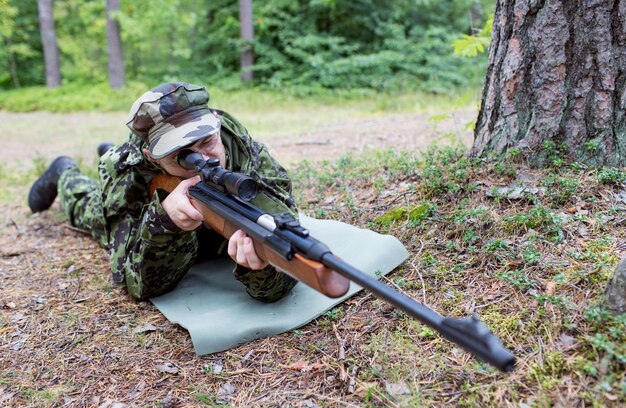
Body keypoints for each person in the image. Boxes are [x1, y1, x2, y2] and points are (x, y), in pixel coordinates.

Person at [28, 82, 298, 301]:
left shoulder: (250, 156)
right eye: (182, 156)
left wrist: (262, 269)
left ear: (216, 121)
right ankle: (63, 171)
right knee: (87, 211)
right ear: (152, 156)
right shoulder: (128, 170)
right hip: (134, 183)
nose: (203, 160)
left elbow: (288, 245)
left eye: (207, 141)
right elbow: (138, 284)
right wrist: (165, 222)